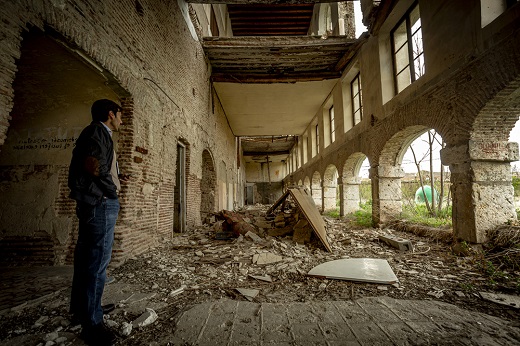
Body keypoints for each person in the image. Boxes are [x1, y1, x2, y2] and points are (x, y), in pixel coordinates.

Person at [68, 99, 126, 345]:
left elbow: (97, 165)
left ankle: (83, 311)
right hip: (100, 204)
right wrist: (111, 190)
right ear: (111, 114)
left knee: (86, 260)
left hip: (95, 202)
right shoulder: (97, 131)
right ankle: (92, 323)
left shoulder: (97, 133)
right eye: (120, 115)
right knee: (97, 263)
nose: (122, 120)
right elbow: (94, 167)